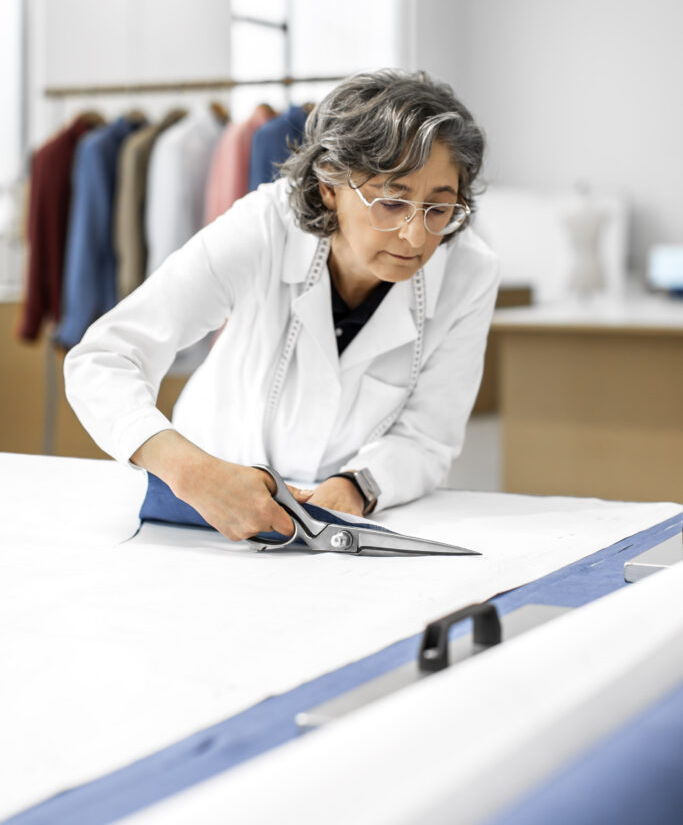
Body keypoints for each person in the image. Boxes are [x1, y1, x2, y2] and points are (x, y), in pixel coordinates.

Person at [64, 69, 499, 543]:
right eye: (392, 203)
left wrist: (358, 486)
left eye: (439, 208)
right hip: (203, 512)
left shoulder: (469, 273)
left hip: (346, 528)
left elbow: (428, 436)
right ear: (329, 187)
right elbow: (103, 358)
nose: (416, 236)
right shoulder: (263, 226)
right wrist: (194, 473)